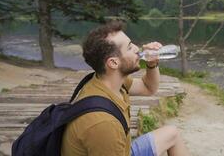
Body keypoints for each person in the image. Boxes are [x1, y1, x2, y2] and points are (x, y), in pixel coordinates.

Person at [61, 20, 189, 156]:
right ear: (113, 62)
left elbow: (148, 88)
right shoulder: (103, 124)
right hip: (112, 145)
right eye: (129, 47)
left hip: (122, 149)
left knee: (172, 133)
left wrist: (152, 64)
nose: (136, 48)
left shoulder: (111, 82)